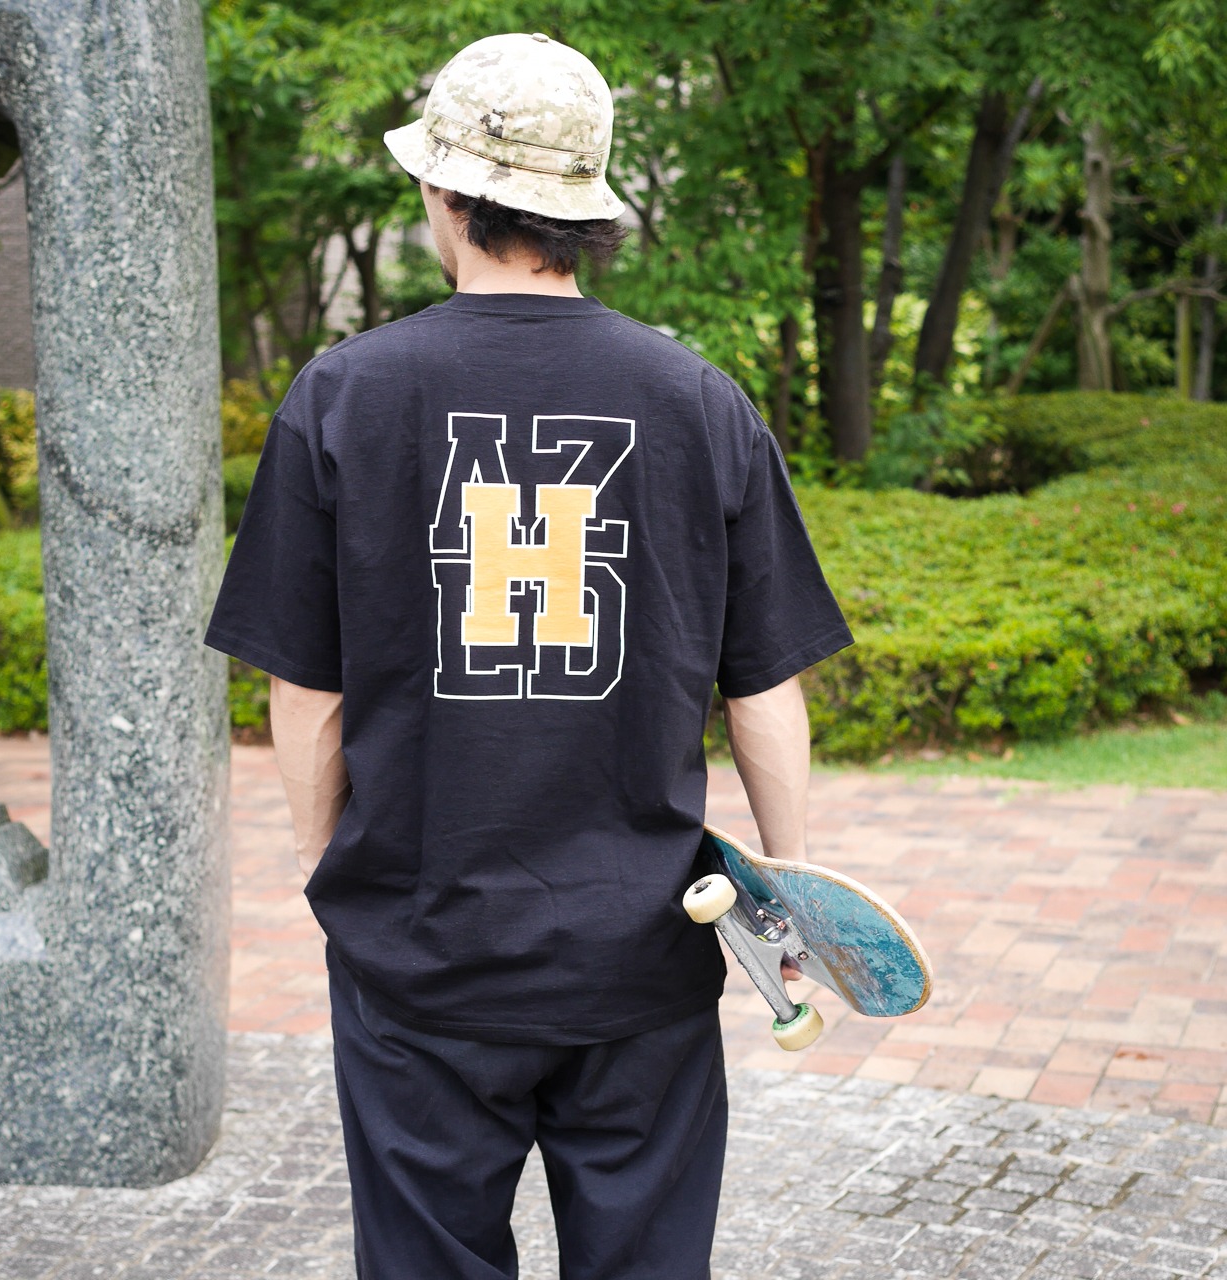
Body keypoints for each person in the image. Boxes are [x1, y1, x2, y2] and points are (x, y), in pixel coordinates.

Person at [205, 31, 853, 1280]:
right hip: (642, 951)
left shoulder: (341, 395)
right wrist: (786, 901)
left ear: (443, 193)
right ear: (583, 210)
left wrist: (329, 873)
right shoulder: (698, 400)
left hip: (419, 950)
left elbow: (307, 692)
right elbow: (765, 688)